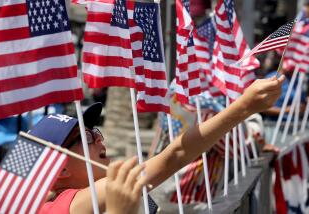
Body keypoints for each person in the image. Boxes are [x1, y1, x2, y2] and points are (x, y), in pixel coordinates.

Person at [32, 75, 284, 214]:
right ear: (61, 169)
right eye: (85, 138)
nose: (99, 138)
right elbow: (175, 155)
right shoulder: (72, 202)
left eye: (94, 131)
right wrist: (243, 107)